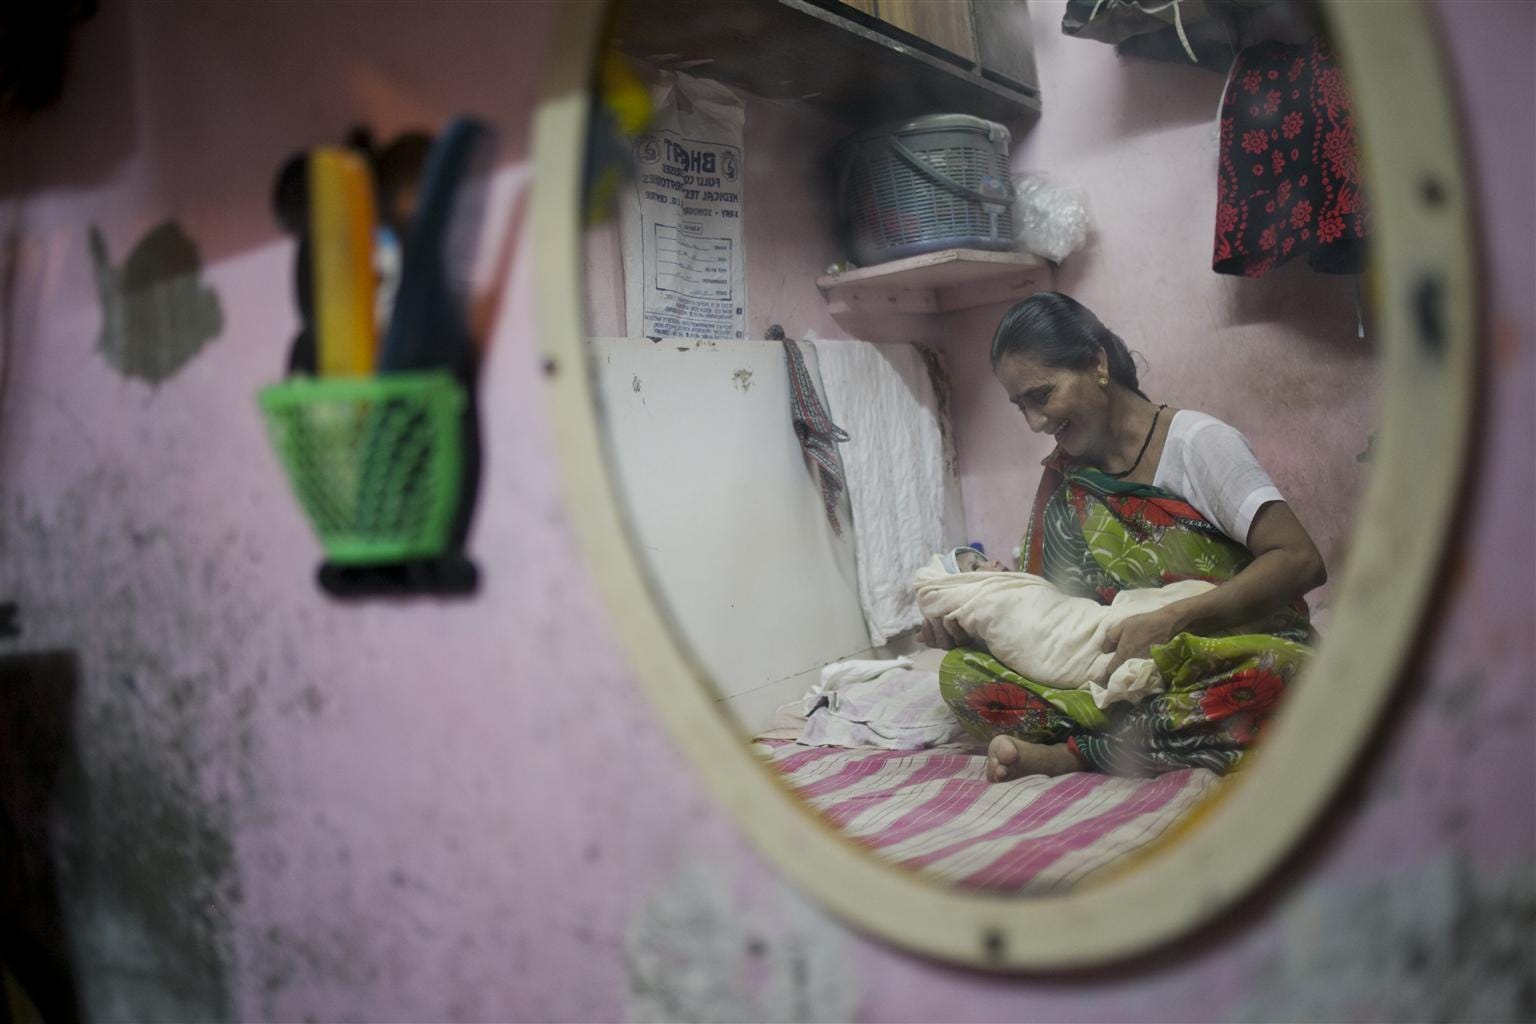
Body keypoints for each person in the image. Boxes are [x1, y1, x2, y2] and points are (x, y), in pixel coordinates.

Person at [921, 293, 1326, 782]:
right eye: (1020, 405)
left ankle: (1079, 753)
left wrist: (1172, 619)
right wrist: (976, 626)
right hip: (1114, 673)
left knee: (1283, 674)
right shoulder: (1067, 480)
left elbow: (1300, 560)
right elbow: (1053, 623)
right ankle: (1142, 737)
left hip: (1225, 652)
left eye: (1041, 395)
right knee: (961, 675)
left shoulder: (1197, 443)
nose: (1034, 423)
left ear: (1097, 363)